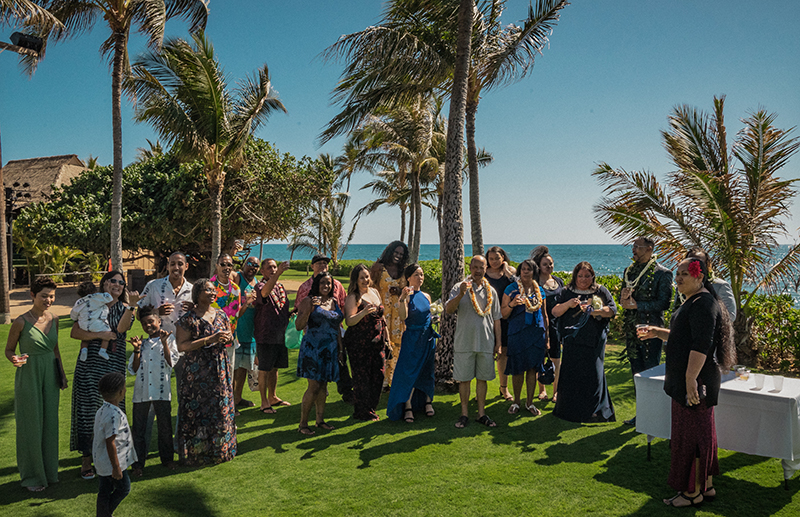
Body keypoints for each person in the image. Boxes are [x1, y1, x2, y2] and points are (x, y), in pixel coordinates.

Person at [638, 258, 735, 507]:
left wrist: (690, 378)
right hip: (693, 378)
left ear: (699, 277)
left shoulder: (703, 303)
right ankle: (706, 486)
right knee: (701, 434)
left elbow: (701, 344)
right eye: (677, 273)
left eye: (684, 274)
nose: (678, 278)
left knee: (690, 437)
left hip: (696, 380)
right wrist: (658, 332)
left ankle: (692, 493)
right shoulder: (696, 301)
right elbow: (685, 337)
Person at [70, 270, 136, 481]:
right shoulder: (91, 302)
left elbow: (120, 330)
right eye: (112, 281)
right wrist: (100, 335)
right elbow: (75, 332)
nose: (117, 284)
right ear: (104, 283)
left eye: (121, 282)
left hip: (113, 363)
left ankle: (115, 459)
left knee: (114, 410)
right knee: (89, 411)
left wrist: (131, 306)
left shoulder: (126, 308)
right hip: (90, 364)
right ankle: (86, 459)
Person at [5, 277, 67, 492]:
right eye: (44, 296)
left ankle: (49, 473)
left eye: (52, 296)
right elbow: (9, 350)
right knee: (30, 425)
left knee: (50, 424)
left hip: (50, 376)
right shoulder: (20, 322)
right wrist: (14, 358)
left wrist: (62, 374)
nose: (49, 300)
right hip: (29, 375)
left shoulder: (55, 319)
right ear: (32, 295)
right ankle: (32, 476)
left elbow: (55, 349)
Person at [175, 278, 237, 465]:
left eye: (213, 290)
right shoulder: (188, 319)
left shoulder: (221, 315)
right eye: (208, 290)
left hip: (219, 369)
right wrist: (209, 339)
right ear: (197, 294)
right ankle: (199, 453)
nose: (212, 293)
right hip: (197, 371)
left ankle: (221, 450)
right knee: (198, 411)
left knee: (220, 408)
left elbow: (229, 337)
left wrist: (227, 337)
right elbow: (181, 346)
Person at [551, 262, 617, 423]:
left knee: (593, 373)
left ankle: (593, 410)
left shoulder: (600, 290)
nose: (583, 279)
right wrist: (568, 304)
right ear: (575, 276)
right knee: (571, 373)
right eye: (580, 276)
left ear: (592, 276)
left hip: (594, 340)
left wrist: (594, 311)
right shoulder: (566, 291)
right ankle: (570, 409)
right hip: (572, 339)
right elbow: (555, 311)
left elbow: (612, 310)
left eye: (587, 276)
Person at [619, 236, 673, 425]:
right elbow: (624, 301)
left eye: (637, 246)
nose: (633, 249)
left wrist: (638, 306)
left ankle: (656, 415)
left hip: (652, 330)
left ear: (649, 248)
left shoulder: (663, 273)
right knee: (636, 373)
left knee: (651, 372)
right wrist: (624, 298)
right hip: (632, 330)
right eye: (633, 246)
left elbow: (664, 303)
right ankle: (641, 414)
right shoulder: (629, 272)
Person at [446, 255, 502, 428]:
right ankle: (464, 414)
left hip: (486, 341)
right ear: (470, 268)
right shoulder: (459, 287)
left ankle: (481, 414)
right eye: (475, 267)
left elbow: (497, 319)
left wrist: (498, 343)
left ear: (486, 269)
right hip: (464, 342)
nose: (478, 270)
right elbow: (449, 309)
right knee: (464, 379)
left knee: (482, 379)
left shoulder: (491, 291)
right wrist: (461, 294)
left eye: (481, 267)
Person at [128, 305, 179, 476]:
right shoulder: (142, 344)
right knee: (139, 430)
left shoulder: (169, 340)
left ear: (159, 321)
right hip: (141, 394)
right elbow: (133, 369)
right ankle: (137, 464)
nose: (148, 326)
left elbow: (171, 363)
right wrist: (136, 350)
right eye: (144, 323)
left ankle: (168, 459)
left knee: (165, 428)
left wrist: (164, 344)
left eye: (151, 321)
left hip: (161, 392)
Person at [295, 254, 351, 402]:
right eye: (319, 263)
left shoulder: (336, 284)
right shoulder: (305, 287)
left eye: (325, 263)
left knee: (340, 366)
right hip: (314, 338)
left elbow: (343, 305)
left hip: (334, 333)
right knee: (315, 383)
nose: (322, 266)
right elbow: (299, 311)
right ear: (312, 266)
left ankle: (346, 393)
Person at [386, 263, 437, 422]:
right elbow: (403, 316)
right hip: (412, 339)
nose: (420, 277)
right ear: (408, 278)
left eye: (421, 274)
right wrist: (402, 299)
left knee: (427, 370)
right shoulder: (406, 296)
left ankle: (427, 401)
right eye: (416, 274)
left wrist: (435, 318)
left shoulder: (426, 296)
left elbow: (428, 315)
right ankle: (407, 406)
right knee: (409, 372)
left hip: (427, 338)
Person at [295, 271, 344, 435]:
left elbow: (337, 328)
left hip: (330, 349)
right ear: (317, 284)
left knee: (323, 385)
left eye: (329, 283)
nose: (326, 286)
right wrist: (310, 309)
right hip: (313, 349)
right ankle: (303, 424)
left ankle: (320, 420)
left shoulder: (334, 301)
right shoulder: (309, 301)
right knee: (314, 386)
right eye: (322, 282)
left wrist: (340, 349)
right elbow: (298, 326)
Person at [500, 259, 548, 416]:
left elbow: (545, 315)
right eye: (523, 269)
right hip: (517, 333)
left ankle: (529, 403)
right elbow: (503, 314)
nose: (526, 272)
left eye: (529, 269)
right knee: (518, 368)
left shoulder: (539, 290)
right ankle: (516, 402)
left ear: (534, 271)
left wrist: (547, 337)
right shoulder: (511, 289)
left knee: (533, 369)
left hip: (536, 333)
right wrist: (513, 304)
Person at [344, 264, 389, 421]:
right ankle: (362, 411)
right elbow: (349, 321)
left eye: (367, 277)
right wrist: (363, 312)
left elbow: (382, 318)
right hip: (359, 343)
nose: (365, 280)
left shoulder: (374, 292)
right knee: (362, 378)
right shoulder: (353, 297)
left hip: (378, 341)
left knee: (378, 375)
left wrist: (387, 339)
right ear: (355, 280)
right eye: (361, 278)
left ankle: (371, 408)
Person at [93, 372, 136, 517]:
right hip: (112, 463)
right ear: (120, 392)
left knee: (104, 491)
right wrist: (116, 467)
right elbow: (110, 441)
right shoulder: (113, 415)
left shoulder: (102, 411)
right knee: (124, 488)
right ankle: (104, 514)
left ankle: (103, 513)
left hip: (102, 461)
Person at [254, 258, 292, 413]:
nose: (273, 270)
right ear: (262, 271)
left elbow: (281, 307)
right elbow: (265, 293)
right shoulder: (260, 286)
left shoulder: (280, 287)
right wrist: (278, 274)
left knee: (275, 368)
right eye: (269, 267)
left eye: (275, 267)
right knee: (264, 369)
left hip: (280, 334)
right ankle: (264, 402)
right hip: (266, 334)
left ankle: (273, 396)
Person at [370, 241, 409, 390]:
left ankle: (392, 380)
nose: (398, 256)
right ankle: (380, 381)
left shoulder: (403, 271)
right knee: (381, 345)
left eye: (401, 254)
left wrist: (399, 292)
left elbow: (408, 291)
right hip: (382, 313)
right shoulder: (379, 267)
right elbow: (370, 287)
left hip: (398, 316)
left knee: (396, 346)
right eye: (396, 252)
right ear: (390, 251)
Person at [531, 245, 565, 402]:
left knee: (556, 358)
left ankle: (556, 391)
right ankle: (542, 390)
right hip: (539, 326)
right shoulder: (534, 282)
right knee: (540, 358)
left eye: (551, 263)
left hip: (557, 326)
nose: (549, 266)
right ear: (539, 266)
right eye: (545, 264)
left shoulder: (559, 281)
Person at [485, 246, 516, 402]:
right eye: (491, 259)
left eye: (497, 258)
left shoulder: (510, 272)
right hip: (486, 318)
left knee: (503, 353)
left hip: (505, 317)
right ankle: (481, 389)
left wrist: (507, 271)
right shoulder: (484, 273)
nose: (494, 261)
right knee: (485, 353)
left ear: (503, 257)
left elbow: (518, 283)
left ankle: (504, 387)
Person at [674, 248, 737, 319]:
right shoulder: (682, 285)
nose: (694, 266)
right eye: (690, 262)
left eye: (699, 262)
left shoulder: (720, 286)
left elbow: (731, 315)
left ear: (707, 265)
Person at [232, 256, 260, 411]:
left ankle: (237, 398)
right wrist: (232, 252)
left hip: (250, 334)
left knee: (243, 368)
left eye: (256, 265)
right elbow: (223, 274)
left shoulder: (256, 282)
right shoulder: (238, 277)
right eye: (250, 263)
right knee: (233, 369)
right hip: (236, 332)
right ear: (244, 264)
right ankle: (229, 402)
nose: (252, 267)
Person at [71, 281, 114, 361]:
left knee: (85, 337)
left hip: (84, 324)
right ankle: (103, 350)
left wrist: (77, 318)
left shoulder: (79, 302)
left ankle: (84, 349)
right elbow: (109, 298)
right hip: (97, 323)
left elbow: (73, 314)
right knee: (107, 333)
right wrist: (107, 289)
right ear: (94, 291)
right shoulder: (97, 297)